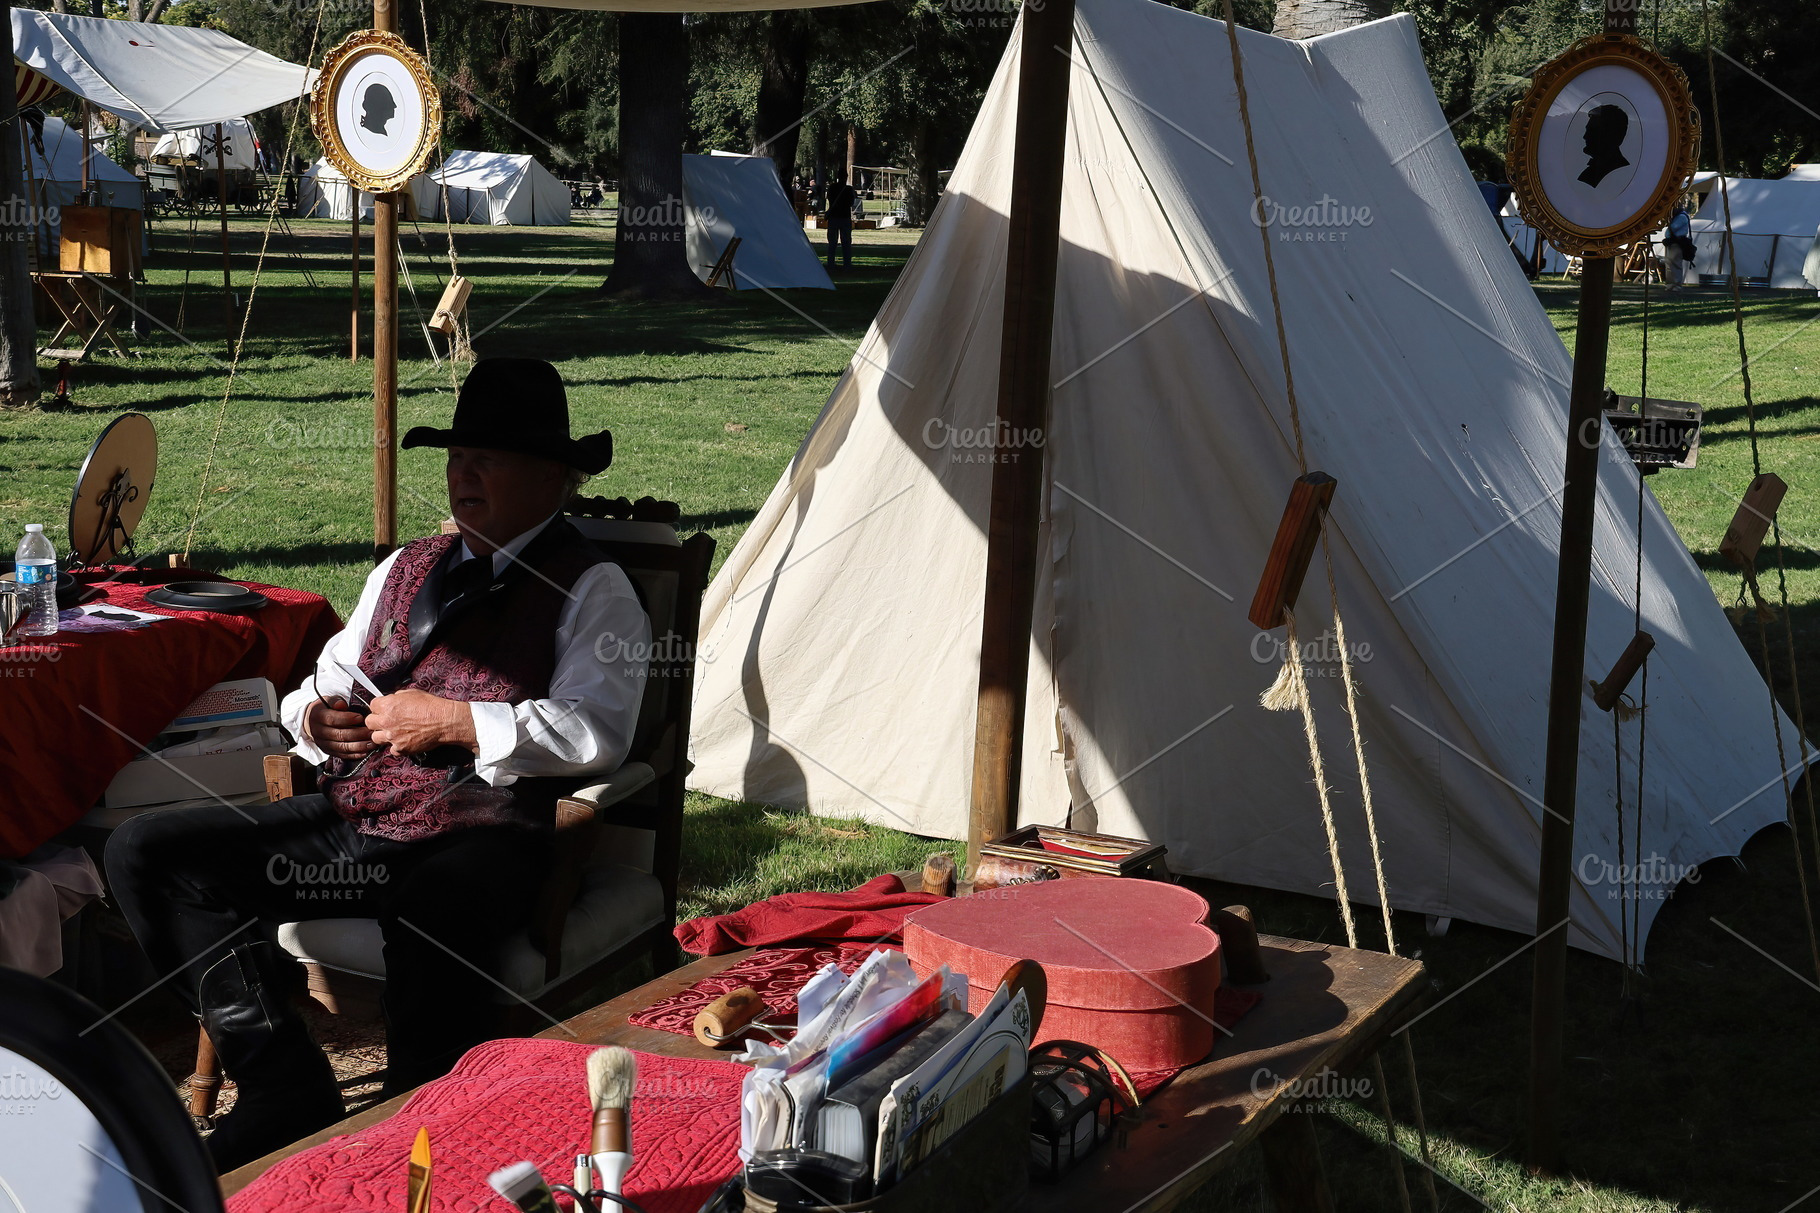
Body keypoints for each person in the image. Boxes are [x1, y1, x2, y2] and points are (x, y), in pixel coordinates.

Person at [105, 358, 650, 1171]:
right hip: (356, 820)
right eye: (455, 456)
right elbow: (317, 688)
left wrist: (458, 721)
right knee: (147, 853)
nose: (462, 473)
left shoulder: (593, 587)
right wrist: (317, 719)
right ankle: (283, 1079)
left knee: (436, 910)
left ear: (553, 475)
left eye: (487, 457)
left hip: (481, 833)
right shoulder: (406, 567)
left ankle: (416, 1138)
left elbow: (595, 729)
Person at [824, 172, 857, 270]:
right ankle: (847, 264)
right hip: (844, 217)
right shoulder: (848, 189)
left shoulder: (832, 188)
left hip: (833, 217)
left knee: (832, 243)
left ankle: (831, 263)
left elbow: (829, 198)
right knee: (846, 243)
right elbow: (851, 203)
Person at [1663, 204, 1695, 291]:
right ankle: (1670, 284)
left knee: (1675, 264)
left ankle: (1676, 285)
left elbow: (1673, 227)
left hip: (1677, 242)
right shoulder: (1677, 216)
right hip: (1672, 242)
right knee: (1669, 264)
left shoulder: (1682, 216)